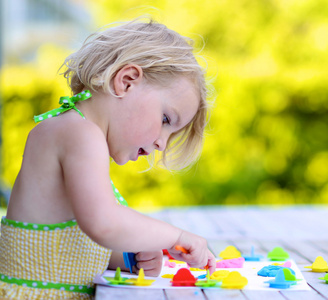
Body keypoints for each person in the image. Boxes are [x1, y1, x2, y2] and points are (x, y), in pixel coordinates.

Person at [0, 17, 215, 299]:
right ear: (126, 82)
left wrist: (127, 256)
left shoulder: (78, 133)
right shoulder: (79, 134)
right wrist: (177, 236)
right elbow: (104, 223)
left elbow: (69, 244)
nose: (162, 143)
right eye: (165, 119)